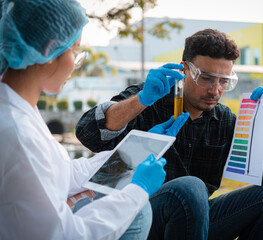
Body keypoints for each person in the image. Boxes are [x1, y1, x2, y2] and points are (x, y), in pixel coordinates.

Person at [76, 29, 263, 240]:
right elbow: (88, 134)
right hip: (138, 214)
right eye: (206, 78)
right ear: (184, 69)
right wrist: (143, 99)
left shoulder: (224, 121)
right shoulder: (149, 97)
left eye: (224, 81)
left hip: (194, 219)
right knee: (190, 187)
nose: (215, 90)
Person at [0, 0, 188, 239]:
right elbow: (65, 235)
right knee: (140, 210)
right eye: (75, 51)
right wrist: (138, 190)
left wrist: (138, 150)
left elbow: (60, 174)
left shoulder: (17, 107)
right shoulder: (17, 133)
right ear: (49, 51)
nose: (76, 64)